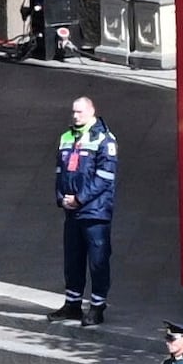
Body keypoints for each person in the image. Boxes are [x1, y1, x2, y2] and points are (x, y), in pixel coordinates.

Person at [50, 96, 119, 325]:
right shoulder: (66, 136)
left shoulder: (104, 139)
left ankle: (97, 307)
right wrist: (62, 199)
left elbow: (104, 178)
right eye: (73, 112)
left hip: (95, 212)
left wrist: (79, 199)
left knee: (98, 261)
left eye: (79, 112)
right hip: (72, 211)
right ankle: (72, 304)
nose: (75, 116)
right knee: (73, 259)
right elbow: (61, 172)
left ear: (91, 111)